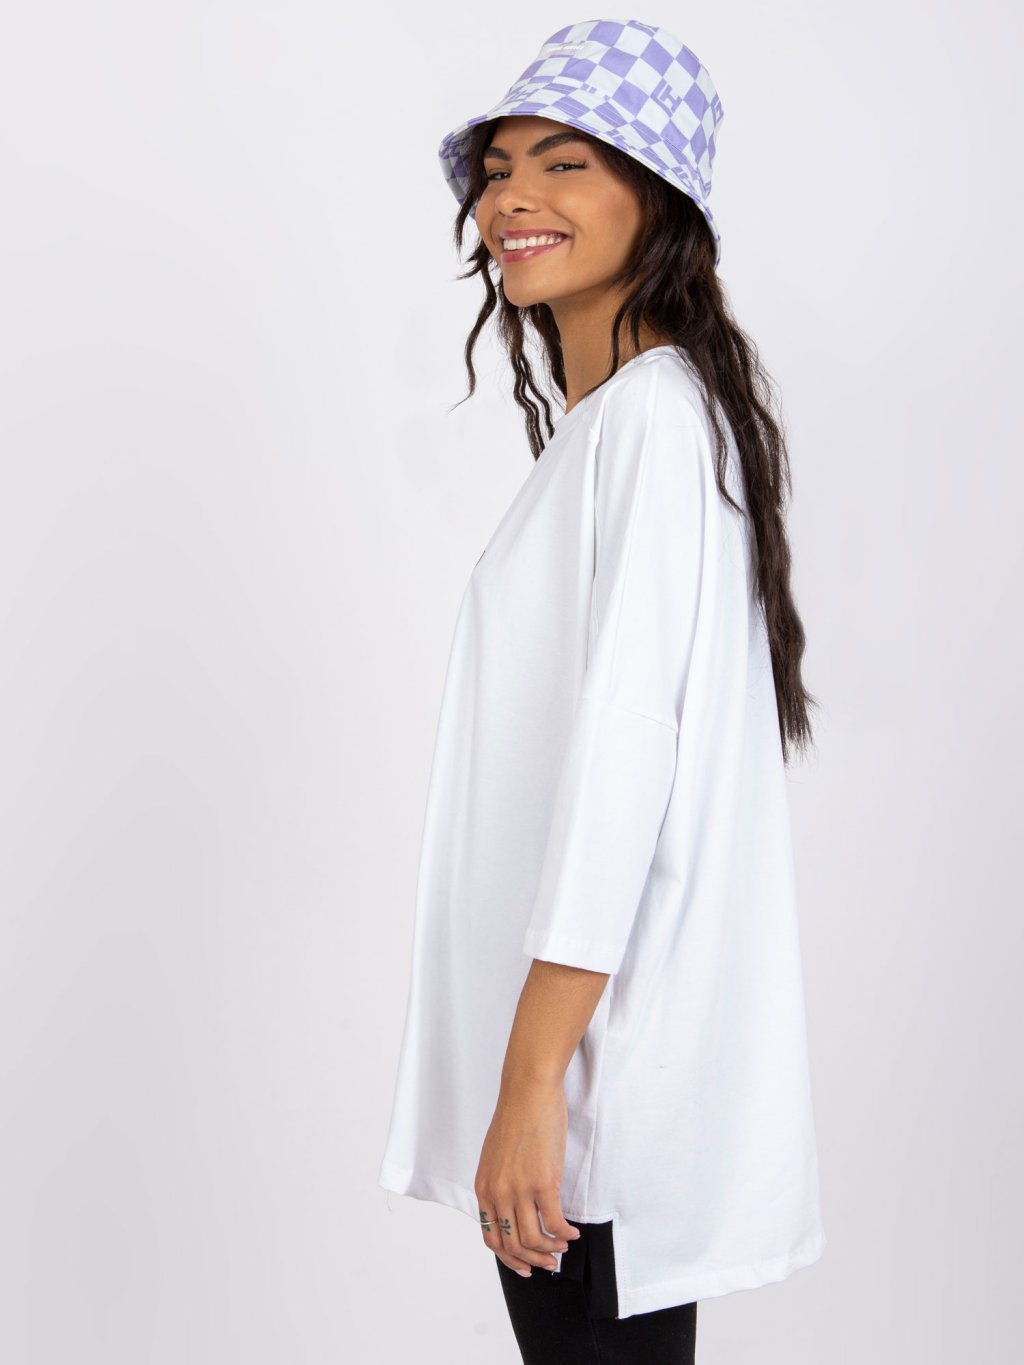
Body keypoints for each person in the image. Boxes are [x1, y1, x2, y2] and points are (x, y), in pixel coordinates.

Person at [378, 18, 827, 1363]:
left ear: (660, 199)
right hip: (586, 1072)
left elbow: (626, 769)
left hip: (593, 1086)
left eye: (566, 162)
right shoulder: (624, 427)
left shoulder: (649, 426)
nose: (512, 197)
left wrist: (533, 1089)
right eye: (498, 168)